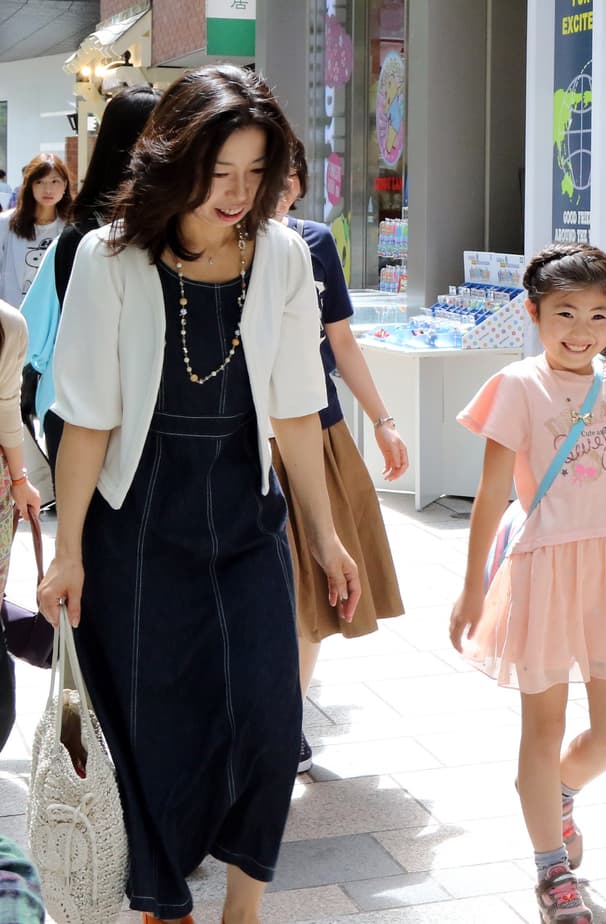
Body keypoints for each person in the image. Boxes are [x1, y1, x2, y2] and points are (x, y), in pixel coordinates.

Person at [36, 64, 361, 924]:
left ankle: (243, 906)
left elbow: (297, 408)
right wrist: (67, 549)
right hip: (135, 523)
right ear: (178, 159)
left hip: (243, 518)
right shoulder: (111, 259)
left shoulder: (285, 255)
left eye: (257, 174)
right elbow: (87, 421)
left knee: (268, 710)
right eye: (221, 173)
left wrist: (326, 539)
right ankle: (162, 902)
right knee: (150, 726)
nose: (238, 194)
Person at [449, 243, 606, 924]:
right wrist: (472, 589)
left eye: (598, 315)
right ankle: (552, 870)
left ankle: (557, 792)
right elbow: (491, 492)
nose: (581, 330)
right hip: (546, 568)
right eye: (565, 314)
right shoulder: (516, 386)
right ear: (533, 313)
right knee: (543, 723)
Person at [273, 140, 408, 773]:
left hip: (316, 431)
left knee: (313, 585)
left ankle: (289, 718)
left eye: (284, 175)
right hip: (241, 436)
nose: (276, 188)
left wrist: (382, 420)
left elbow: (342, 341)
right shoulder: (216, 245)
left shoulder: (314, 241)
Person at [20, 86, 163, 470]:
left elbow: (32, 333)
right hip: (94, 410)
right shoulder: (93, 237)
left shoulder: (78, 232)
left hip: (77, 403)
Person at [0, 296, 39, 748]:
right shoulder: (8, 323)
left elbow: (8, 411)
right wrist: (18, 480)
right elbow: (6, 410)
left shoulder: (9, 324)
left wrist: (19, 481)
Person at [0, 154, 71, 307]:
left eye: (55, 181)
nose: (48, 189)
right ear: (30, 185)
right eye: (40, 182)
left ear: (65, 185)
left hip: (52, 317)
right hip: (12, 316)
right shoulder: (5, 224)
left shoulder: (71, 229)